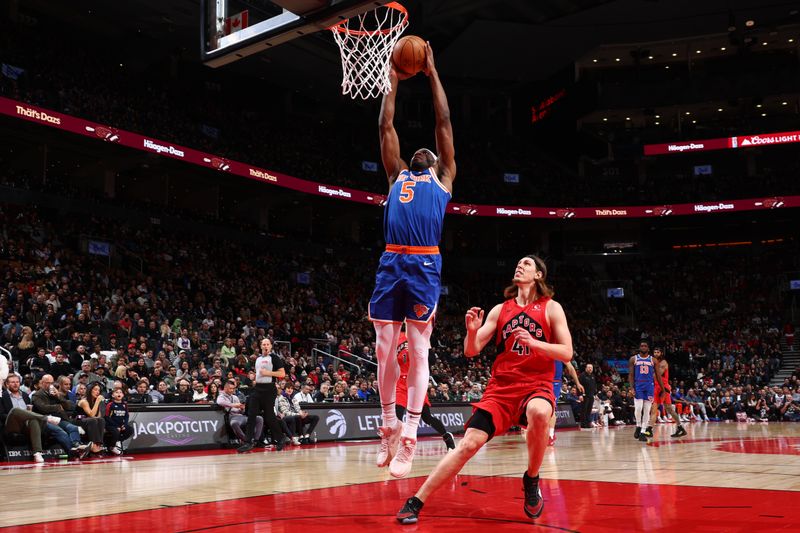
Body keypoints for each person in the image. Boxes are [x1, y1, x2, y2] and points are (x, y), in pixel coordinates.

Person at [397, 254, 573, 523]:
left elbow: (567, 352)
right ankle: (416, 499)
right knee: (468, 444)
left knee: (539, 412)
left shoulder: (551, 308)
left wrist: (535, 344)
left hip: (536, 384)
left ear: (539, 275)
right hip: (501, 389)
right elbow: (471, 350)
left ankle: (532, 478)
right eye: (518, 262)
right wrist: (471, 331)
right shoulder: (500, 310)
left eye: (527, 264)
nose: (520, 265)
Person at [369, 42, 457, 478]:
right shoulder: (395, 174)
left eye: (431, 150)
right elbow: (386, 122)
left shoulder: (443, 179)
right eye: (418, 150)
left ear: (441, 163)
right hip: (390, 262)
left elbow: (442, 120)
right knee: (385, 349)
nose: (424, 149)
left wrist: (432, 72)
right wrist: (392, 78)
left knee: (418, 352)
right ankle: (387, 427)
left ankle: (410, 437)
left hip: (423, 265)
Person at [394, 331, 455, 450]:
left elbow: (431, 360)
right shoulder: (396, 336)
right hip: (400, 381)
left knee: (427, 417)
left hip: (416, 381)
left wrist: (427, 346)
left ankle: (447, 436)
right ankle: (396, 449)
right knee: (397, 417)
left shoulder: (421, 335)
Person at [239, 338, 285, 453]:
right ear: (260, 346)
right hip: (258, 389)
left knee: (269, 417)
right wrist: (256, 379)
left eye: (267, 344)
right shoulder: (258, 359)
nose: (265, 346)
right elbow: (260, 373)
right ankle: (248, 442)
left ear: (270, 346)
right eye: (263, 344)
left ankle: (280, 438)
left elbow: (282, 374)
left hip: (269, 389)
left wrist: (268, 373)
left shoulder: (274, 358)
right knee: (251, 415)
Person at [0, 374, 49, 463]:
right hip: (11, 424)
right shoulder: (2, 396)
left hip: (26, 424)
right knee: (15, 410)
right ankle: (46, 418)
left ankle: (37, 453)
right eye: (12, 382)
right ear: (7, 384)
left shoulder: (26, 396)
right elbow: (2, 415)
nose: (15, 384)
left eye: (17, 382)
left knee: (33, 420)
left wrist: (28, 413)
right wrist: (19, 415)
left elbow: (30, 413)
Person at [644, 348, 686, 438]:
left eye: (657, 352)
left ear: (661, 353)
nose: (656, 353)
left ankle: (649, 429)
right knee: (669, 409)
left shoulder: (663, 362)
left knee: (654, 408)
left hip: (662, 388)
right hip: (657, 387)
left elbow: (657, 374)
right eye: (654, 352)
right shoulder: (653, 362)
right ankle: (680, 428)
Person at [217, 379, 263, 453]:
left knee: (259, 418)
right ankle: (247, 441)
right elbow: (219, 402)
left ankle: (256, 440)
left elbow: (241, 410)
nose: (232, 390)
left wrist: (242, 408)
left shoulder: (235, 397)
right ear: (225, 388)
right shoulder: (221, 396)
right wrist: (234, 405)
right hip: (232, 416)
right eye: (230, 388)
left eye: (233, 388)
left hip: (241, 416)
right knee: (234, 423)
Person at [549, 359, 582, 446]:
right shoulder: (541, 348)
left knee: (551, 409)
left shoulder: (559, 351)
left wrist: (577, 383)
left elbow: (570, 368)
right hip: (541, 381)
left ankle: (551, 435)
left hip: (555, 383)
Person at [629, 341, 655, 442]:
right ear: (639, 348)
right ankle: (638, 425)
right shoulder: (633, 359)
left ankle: (643, 432)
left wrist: (662, 388)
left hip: (649, 386)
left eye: (645, 346)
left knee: (647, 410)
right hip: (638, 384)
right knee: (638, 408)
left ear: (648, 348)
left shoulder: (653, 360)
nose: (643, 347)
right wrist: (631, 388)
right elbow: (631, 375)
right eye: (642, 346)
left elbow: (657, 375)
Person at [76, 382, 106, 456]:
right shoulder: (84, 401)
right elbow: (91, 415)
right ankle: (94, 446)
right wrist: (97, 401)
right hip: (78, 421)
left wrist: (99, 403)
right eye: (95, 390)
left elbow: (99, 416)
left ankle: (98, 444)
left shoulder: (95, 401)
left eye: (98, 390)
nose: (97, 392)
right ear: (90, 390)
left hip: (89, 421)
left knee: (101, 420)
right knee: (92, 420)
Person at [104, 388, 132, 454]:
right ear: (113, 395)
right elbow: (107, 417)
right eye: (116, 392)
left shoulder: (124, 405)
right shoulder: (110, 405)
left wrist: (124, 425)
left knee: (130, 430)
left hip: (120, 425)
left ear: (123, 395)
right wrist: (116, 426)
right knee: (116, 432)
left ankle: (118, 440)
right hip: (110, 425)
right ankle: (112, 447)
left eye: (120, 392)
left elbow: (126, 416)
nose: (119, 393)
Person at [578, 364, 597, 429]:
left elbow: (594, 385)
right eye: (589, 367)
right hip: (584, 395)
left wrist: (595, 394)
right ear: (586, 368)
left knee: (589, 410)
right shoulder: (582, 375)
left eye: (591, 368)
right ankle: (583, 424)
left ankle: (588, 423)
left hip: (591, 396)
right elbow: (579, 385)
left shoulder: (592, 376)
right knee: (584, 410)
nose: (590, 369)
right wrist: (580, 394)